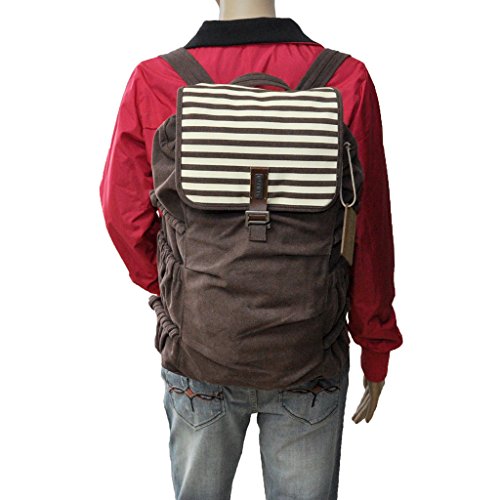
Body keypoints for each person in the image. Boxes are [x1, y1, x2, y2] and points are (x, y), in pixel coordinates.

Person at [99, 1, 404, 498]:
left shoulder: (156, 80)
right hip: (310, 351)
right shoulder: (345, 79)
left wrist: (185, 292)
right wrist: (375, 344)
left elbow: (123, 214)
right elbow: (369, 228)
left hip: (198, 353)